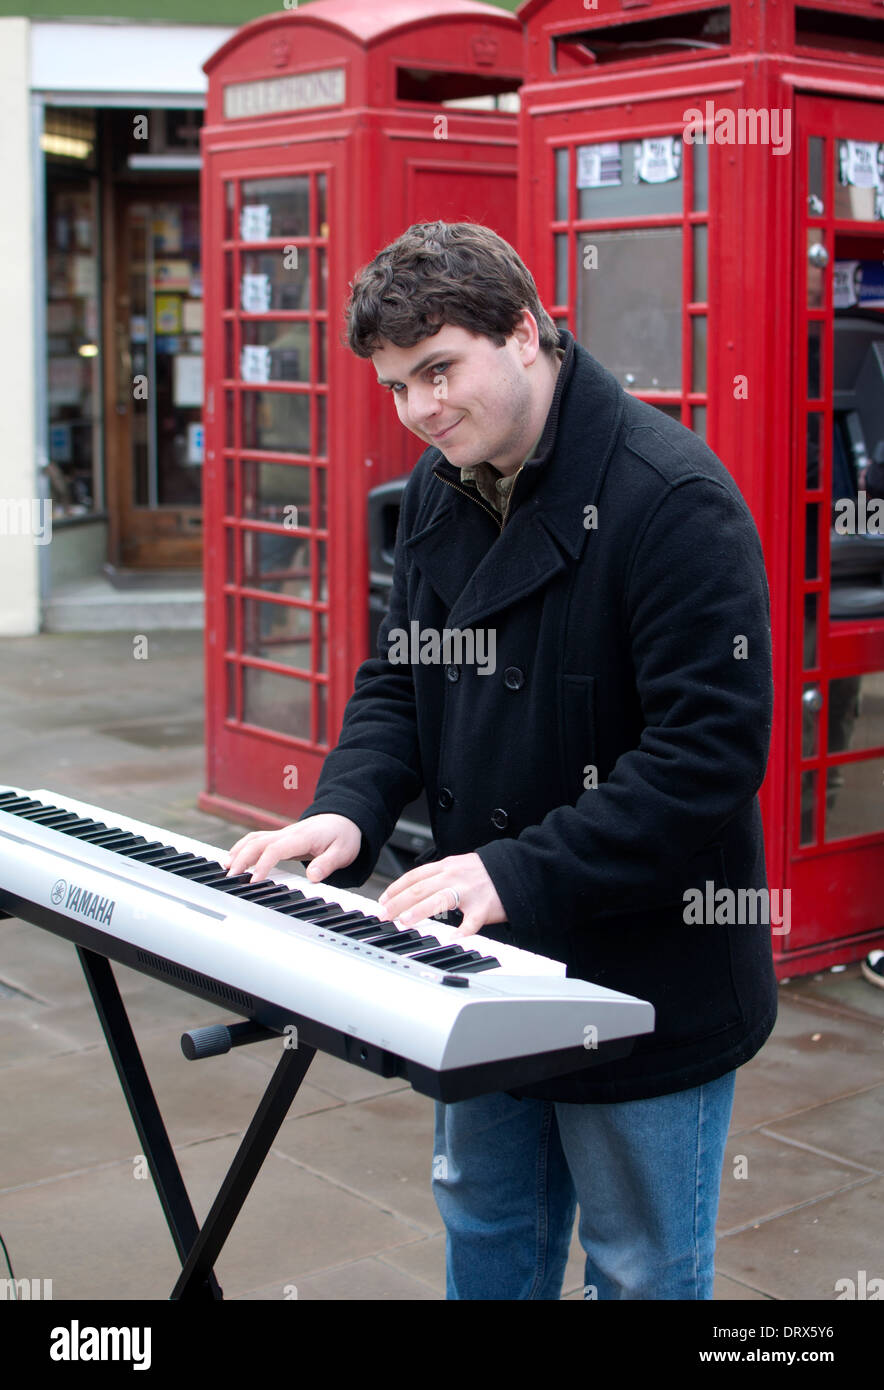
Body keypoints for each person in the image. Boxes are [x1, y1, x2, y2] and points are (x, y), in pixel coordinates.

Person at [223, 221, 778, 1300]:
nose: (420, 410)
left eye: (439, 370)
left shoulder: (671, 501)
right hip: (481, 965)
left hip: (641, 977)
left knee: (638, 1270)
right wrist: (346, 810)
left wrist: (510, 870)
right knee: (487, 1234)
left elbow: (705, 757)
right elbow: (398, 679)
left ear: (523, 332)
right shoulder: (443, 482)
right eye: (395, 387)